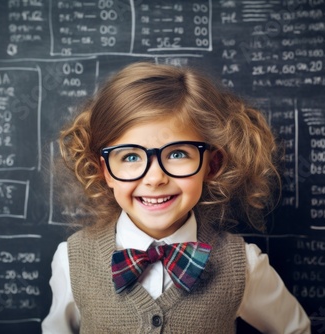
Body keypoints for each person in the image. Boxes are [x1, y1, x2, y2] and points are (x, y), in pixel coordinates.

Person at [42, 62, 311, 333]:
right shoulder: (71, 260)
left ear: (211, 164)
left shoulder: (243, 265)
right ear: (106, 172)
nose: (155, 178)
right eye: (131, 157)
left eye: (177, 154)